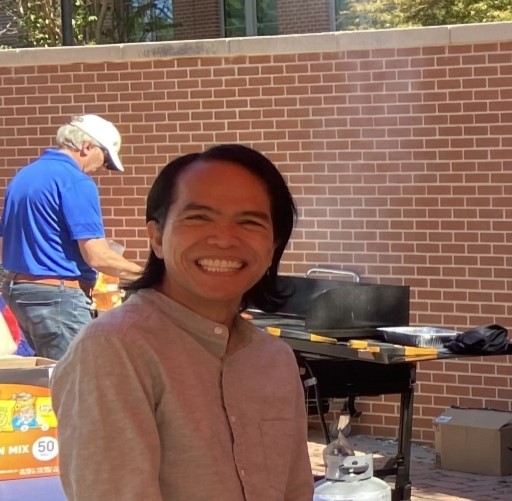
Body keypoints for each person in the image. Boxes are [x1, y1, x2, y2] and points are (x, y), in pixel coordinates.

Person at [54, 144, 310, 500]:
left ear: (272, 247)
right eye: (199, 217)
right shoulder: (115, 350)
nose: (224, 238)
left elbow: (296, 491)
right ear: (157, 237)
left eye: (249, 222)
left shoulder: (274, 359)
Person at [4, 114, 144, 360]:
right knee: (82, 377)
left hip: (19, 292)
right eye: (105, 158)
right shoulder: (76, 181)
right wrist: (151, 275)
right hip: (57, 297)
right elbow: (97, 256)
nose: (102, 167)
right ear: (86, 146)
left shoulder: (23, 176)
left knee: (50, 378)